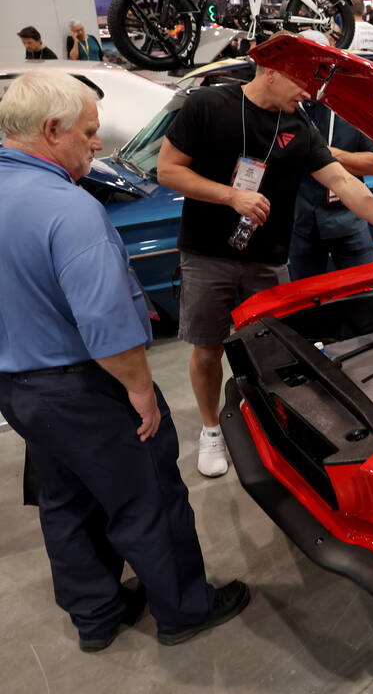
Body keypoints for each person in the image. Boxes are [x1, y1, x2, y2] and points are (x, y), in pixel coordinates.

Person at [0, 72, 249, 651]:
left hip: (20, 391)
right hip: (88, 388)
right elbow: (107, 322)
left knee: (66, 500)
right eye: (89, 132)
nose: (97, 144)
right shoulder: (69, 209)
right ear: (51, 130)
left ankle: (96, 616)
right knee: (148, 498)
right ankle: (184, 609)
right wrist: (139, 391)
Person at [156, 36, 373, 478]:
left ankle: (268, 424)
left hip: (268, 259)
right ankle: (211, 428)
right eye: (301, 82)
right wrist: (231, 196)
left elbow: (344, 181)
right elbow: (168, 170)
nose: (308, 93)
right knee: (207, 347)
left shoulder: (299, 127)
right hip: (207, 254)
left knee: (272, 352)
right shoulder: (208, 105)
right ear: (271, 71)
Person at [290, 102, 373, 280]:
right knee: (306, 295)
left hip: (349, 222)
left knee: (365, 290)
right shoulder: (287, 109)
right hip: (301, 224)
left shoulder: (352, 108)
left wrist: (323, 153)